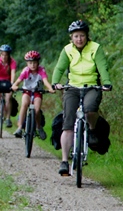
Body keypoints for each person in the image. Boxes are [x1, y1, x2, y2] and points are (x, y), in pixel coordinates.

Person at [52, 20, 112, 175]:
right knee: (68, 122)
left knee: (90, 109)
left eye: (82, 36)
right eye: (76, 36)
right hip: (72, 87)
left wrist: (106, 83)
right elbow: (60, 67)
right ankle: (65, 161)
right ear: (71, 37)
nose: (79, 39)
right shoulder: (67, 50)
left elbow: (102, 66)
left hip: (92, 86)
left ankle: (91, 130)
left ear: (87, 36)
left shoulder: (95, 48)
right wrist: (55, 82)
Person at [11, 51, 55, 140]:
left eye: (34, 62)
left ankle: (39, 127)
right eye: (30, 63)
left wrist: (50, 88)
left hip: (37, 92)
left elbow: (45, 81)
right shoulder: (26, 71)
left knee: (37, 109)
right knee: (24, 105)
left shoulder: (41, 70)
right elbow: (18, 81)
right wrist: (14, 86)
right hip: (27, 91)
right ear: (27, 63)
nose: (32, 65)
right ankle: (19, 128)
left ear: (38, 62)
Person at [0, 44, 17, 127]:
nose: (4, 57)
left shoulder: (12, 62)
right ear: (0, 54)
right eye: (2, 54)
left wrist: (12, 83)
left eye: (6, 55)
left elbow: (13, 73)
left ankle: (8, 118)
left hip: (8, 82)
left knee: (8, 98)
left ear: (9, 55)